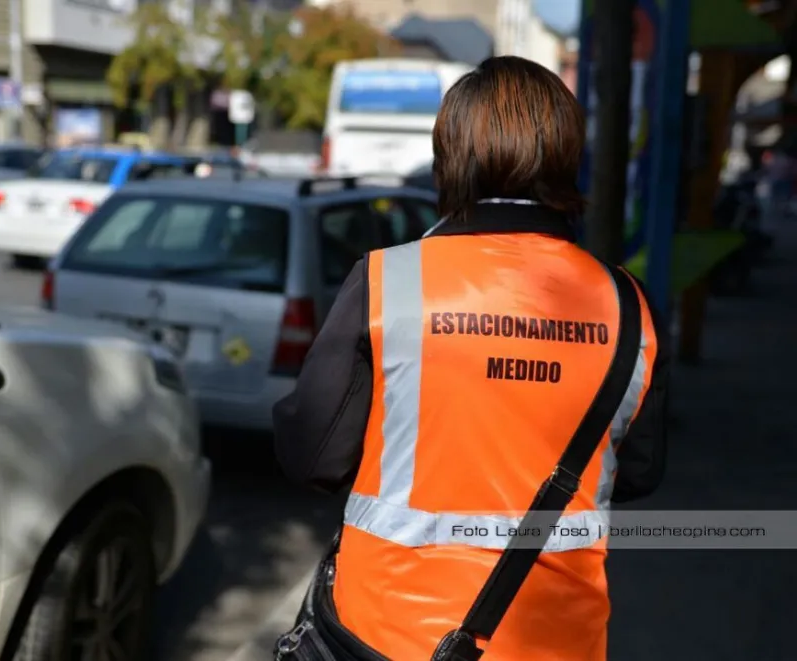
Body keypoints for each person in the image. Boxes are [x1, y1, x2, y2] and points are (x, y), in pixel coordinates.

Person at [272, 56, 670, 661]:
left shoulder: (387, 280)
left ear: (450, 158)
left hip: (384, 634)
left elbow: (312, 455)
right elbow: (639, 472)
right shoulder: (628, 306)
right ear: (565, 156)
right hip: (560, 641)